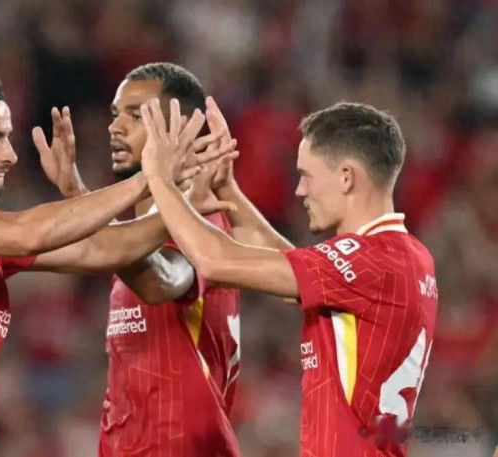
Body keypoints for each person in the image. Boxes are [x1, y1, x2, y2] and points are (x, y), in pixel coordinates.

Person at [0, 61, 235, 457]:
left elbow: (103, 248)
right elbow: (28, 232)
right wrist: (152, 177)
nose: (10, 155)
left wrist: (182, 198)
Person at [141, 98, 438, 457]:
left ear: (346, 177)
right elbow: (286, 270)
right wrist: (227, 189)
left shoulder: (371, 261)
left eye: (307, 175)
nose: (299, 190)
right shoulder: (405, 256)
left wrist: (158, 177)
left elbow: (213, 260)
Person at [32, 63, 243, 456]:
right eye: (116, 114)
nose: (115, 127)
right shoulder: (139, 239)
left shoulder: (199, 220)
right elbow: (121, 248)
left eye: (136, 115)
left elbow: (159, 283)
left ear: (181, 131)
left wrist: (80, 196)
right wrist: (76, 192)